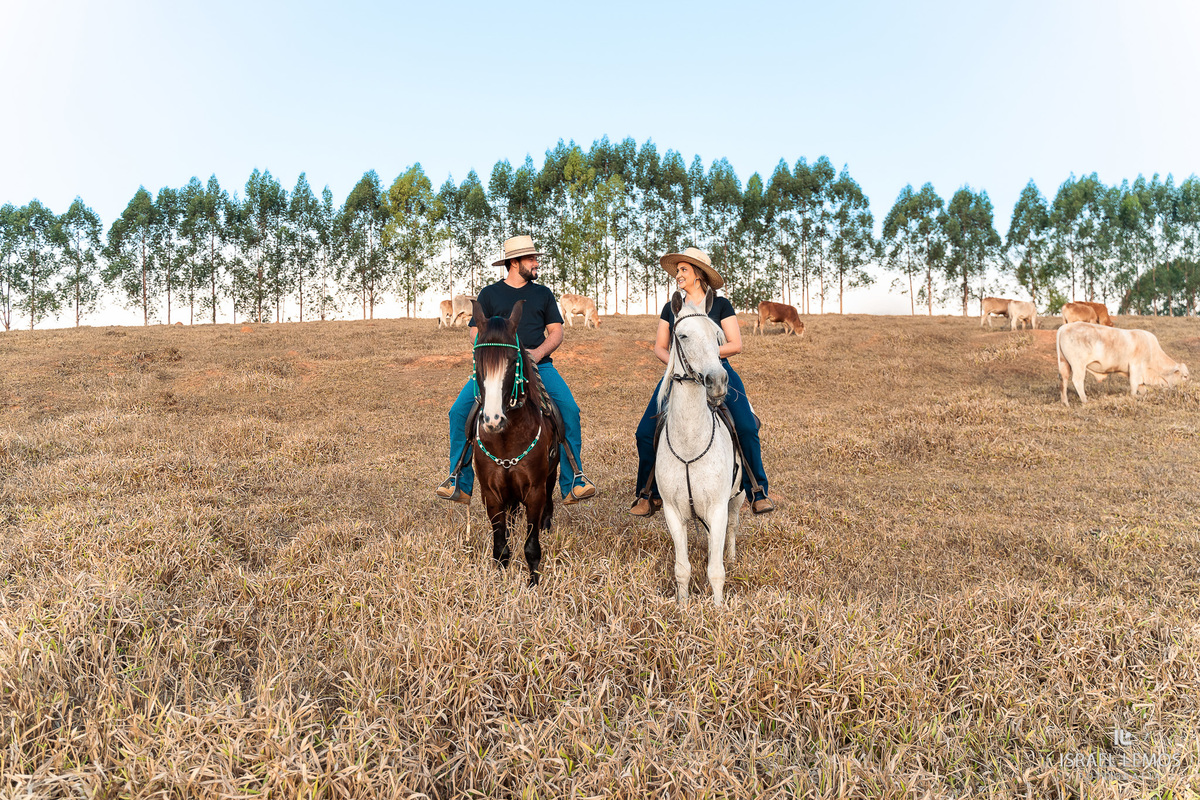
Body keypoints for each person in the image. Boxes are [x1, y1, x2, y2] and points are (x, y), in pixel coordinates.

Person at [435, 235, 598, 505]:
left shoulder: (543, 294)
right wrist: (495, 355)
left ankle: (574, 481)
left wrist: (536, 353)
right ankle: (458, 481)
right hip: (496, 369)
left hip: (538, 365)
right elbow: (476, 332)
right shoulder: (489, 294)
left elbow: (556, 332)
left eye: (535, 259)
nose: (536, 263)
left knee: (569, 410)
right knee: (458, 412)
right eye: (532, 259)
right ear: (514, 262)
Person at [630, 247, 774, 516]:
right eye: (677, 270)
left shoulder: (720, 305)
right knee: (645, 432)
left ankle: (757, 490)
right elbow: (660, 347)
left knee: (745, 425)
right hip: (680, 374)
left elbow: (735, 344)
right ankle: (648, 494)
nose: (678, 274)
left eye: (684, 269)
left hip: (718, 371)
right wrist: (682, 361)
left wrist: (704, 357)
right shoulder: (670, 308)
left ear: (698, 275)